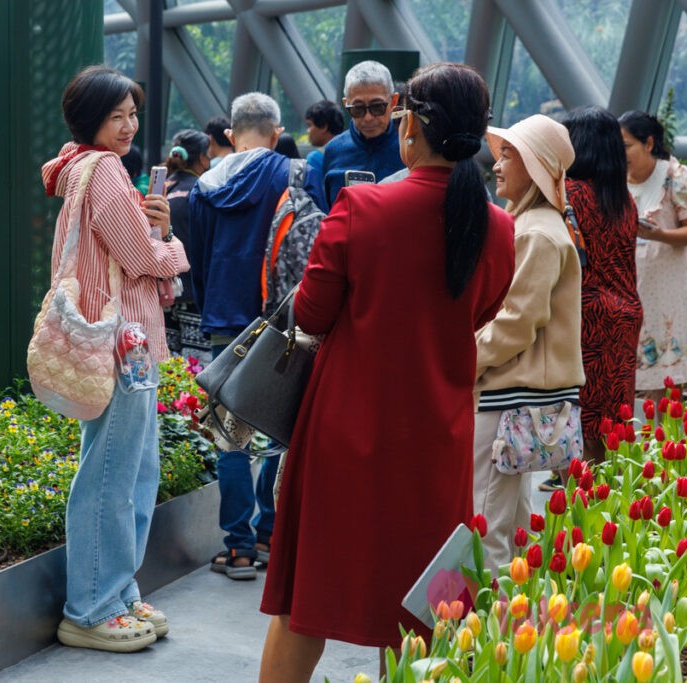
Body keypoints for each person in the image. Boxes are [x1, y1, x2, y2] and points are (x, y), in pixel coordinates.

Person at [258, 63, 515, 681]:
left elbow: (313, 313)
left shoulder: (362, 205)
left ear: (410, 127)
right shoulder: (500, 229)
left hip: (343, 434)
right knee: (429, 605)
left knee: (305, 599)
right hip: (441, 442)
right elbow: (480, 313)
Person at [41, 65, 189, 653]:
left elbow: (136, 255)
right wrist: (172, 245)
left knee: (130, 468)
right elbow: (141, 258)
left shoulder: (84, 167)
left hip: (125, 341)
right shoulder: (103, 170)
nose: (128, 125)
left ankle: (117, 591)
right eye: (116, 116)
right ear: (91, 121)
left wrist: (159, 241)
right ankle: (91, 607)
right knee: (112, 472)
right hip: (121, 342)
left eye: (132, 114)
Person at [189, 92, 326, 581]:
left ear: (230, 134)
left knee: (229, 437)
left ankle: (239, 548)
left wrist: (209, 305)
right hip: (278, 319)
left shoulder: (206, 185)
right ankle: (269, 532)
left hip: (223, 319)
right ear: (276, 132)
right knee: (274, 424)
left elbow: (198, 259)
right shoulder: (291, 173)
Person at [472, 114, 585, 568]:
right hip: (525, 398)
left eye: (509, 155)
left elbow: (518, 322)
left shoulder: (535, 231)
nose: (497, 165)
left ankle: (477, 634)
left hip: (506, 397)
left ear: (536, 166)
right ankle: (517, 630)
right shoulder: (538, 223)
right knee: (512, 525)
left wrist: (462, 360)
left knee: (483, 525)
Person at [563, 107, 642, 467]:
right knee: (612, 427)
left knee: (582, 429)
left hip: (586, 317)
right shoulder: (623, 199)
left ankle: (586, 516)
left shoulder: (569, 193)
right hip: (624, 315)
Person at [619, 111, 687, 394]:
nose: (621, 153)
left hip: (670, 291)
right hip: (631, 290)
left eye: (626, 146)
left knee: (670, 380)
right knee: (638, 381)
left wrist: (659, 235)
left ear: (649, 143)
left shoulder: (675, 176)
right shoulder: (617, 182)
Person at [321, 60, 406, 206]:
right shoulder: (334, 150)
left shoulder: (409, 148)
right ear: (345, 104)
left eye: (377, 107)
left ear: (393, 102)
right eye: (358, 109)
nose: (368, 117)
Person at [163, 129, 212, 362]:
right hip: (195, 294)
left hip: (164, 292)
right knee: (196, 366)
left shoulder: (161, 188)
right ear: (202, 157)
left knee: (169, 368)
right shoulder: (204, 189)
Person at [303, 100, 344, 172]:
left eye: (309, 125)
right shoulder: (353, 152)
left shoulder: (315, 158)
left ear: (323, 126)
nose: (308, 131)